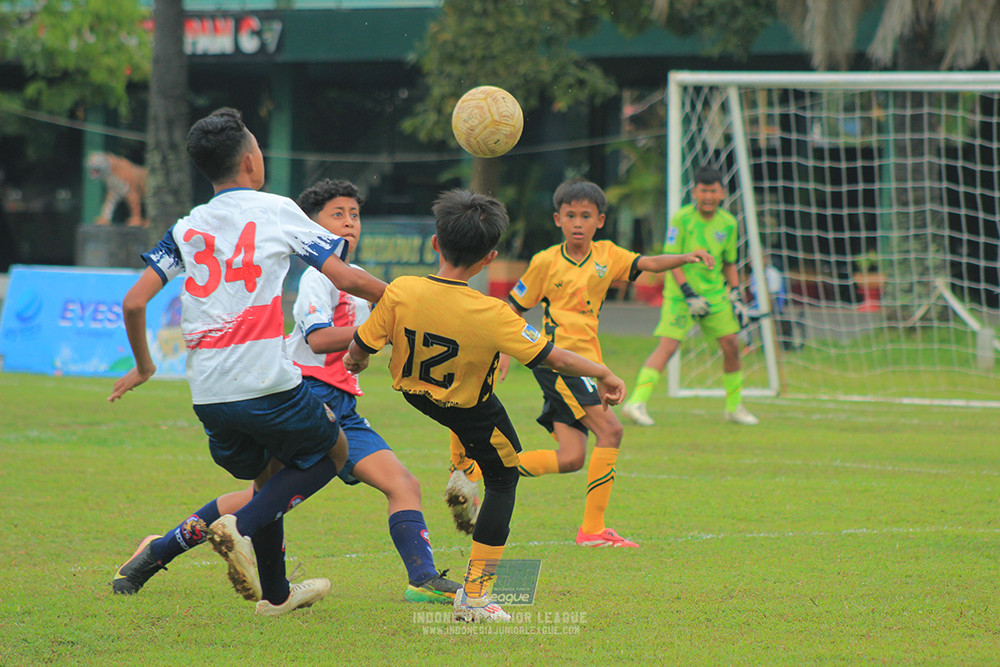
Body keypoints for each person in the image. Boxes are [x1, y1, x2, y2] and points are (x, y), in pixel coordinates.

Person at [111, 178, 460, 605]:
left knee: (399, 484)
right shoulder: (321, 276)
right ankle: (181, 552)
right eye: (337, 215)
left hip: (340, 404)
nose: (349, 222)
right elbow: (317, 338)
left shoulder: (359, 280)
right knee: (265, 498)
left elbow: (355, 346)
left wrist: (365, 351)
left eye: (354, 214)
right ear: (311, 225)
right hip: (306, 394)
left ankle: (421, 578)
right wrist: (383, 328)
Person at [108, 108, 386, 617]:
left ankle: (273, 595)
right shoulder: (276, 210)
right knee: (333, 451)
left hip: (210, 395)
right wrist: (405, 300)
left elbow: (132, 302)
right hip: (266, 382)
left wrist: (145, 366)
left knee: (269, 479)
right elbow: (344, 278)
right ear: (253, 162)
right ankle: (241, 526)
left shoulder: (188, 226)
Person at [343, 188, 627, 622]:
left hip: (418, 395)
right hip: (470, 410)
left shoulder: (401, 290)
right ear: (490, 256)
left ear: (436, 243)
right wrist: (604, 373)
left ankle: (463, 466)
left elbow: (362, 345)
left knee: (488, 455)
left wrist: (355, 362)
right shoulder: (493, 313)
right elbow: (556, 358)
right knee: (503, 479)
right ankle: (475, 596)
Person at [446, 179, 710, 548]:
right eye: (570, 215)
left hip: (589, 362)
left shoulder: (608, 255)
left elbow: (647, 263)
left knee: (571, 457)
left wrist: (684, 257)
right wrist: (503, 350)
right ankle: (593, 530)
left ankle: (479, 468)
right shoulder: (545, 262)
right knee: (612, 431)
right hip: (559, 362)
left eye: (586, 216)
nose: (578, 223)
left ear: (600, 221)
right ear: (558, 219)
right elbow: (514, 309)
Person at [622, 165, 758, 427]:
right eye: (703, 190)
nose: (708, 196)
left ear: (722, 193)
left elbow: (729, 262)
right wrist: (688, 293)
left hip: (715, 294)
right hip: (681, 295)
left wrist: (736, 293)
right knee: (668, 347)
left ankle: (734, 407)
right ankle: (636, 402)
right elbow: (671, 260)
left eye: (713, 191)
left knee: (732, 345)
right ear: (695, 192)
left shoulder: (728, 223)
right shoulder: (681, 219)